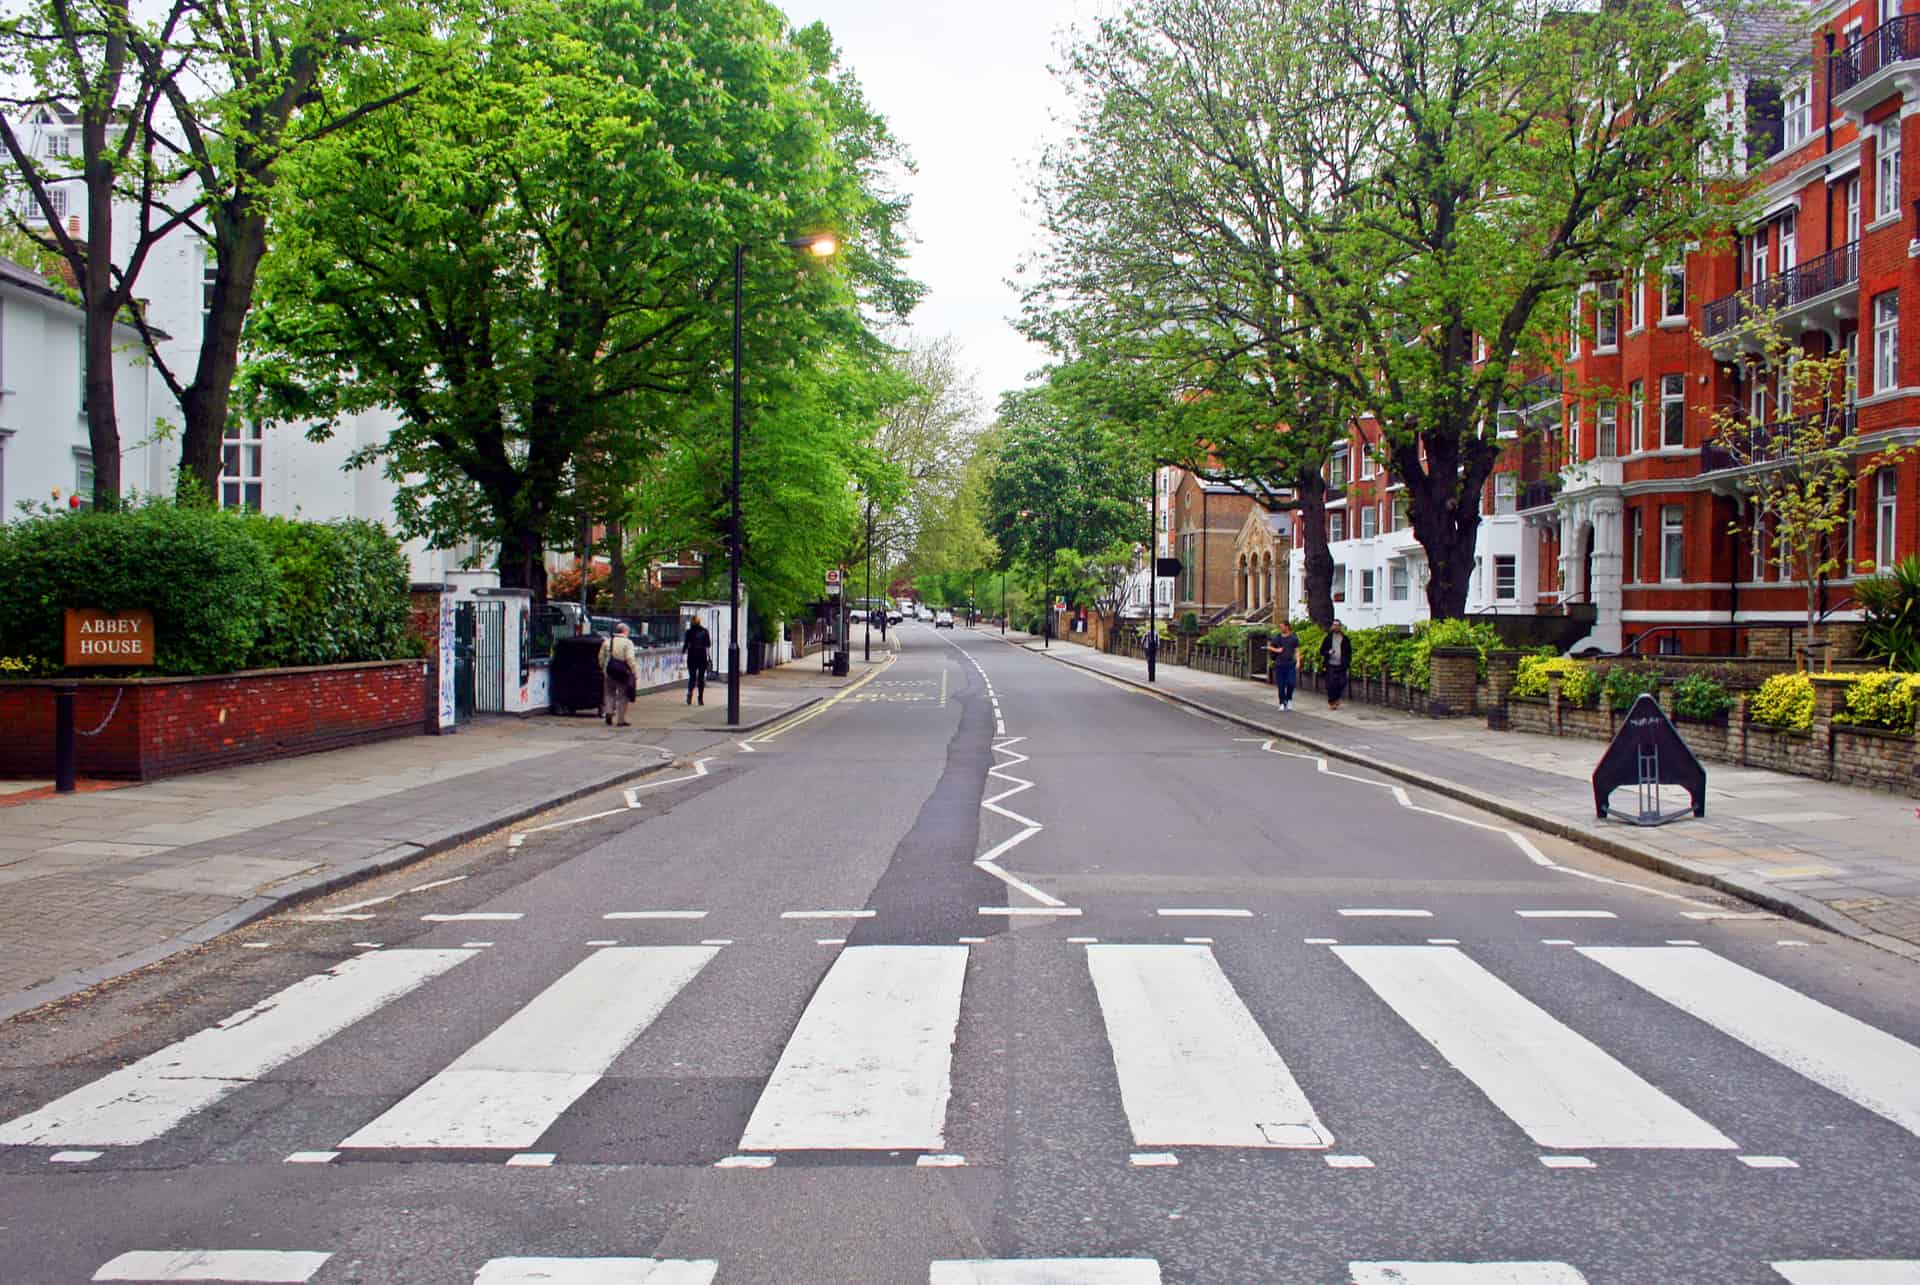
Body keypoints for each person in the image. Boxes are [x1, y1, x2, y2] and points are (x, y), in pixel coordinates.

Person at [598, 623, 637, 727]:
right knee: (623, 696)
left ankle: (609, 712)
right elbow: (630, 658)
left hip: (609, 672)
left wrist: (604, 668)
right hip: (622, 673)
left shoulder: (607, 642)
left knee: (609, 693)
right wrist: (634, 671)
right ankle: (620, 720)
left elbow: (601, 658)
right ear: (625, 632)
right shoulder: (628, 643)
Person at [1266, 620, 1299, 710]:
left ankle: (1289, 699)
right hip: (1279, 664)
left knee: (1291, 683)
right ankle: (1282, 703)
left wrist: (1298, 661)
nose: (1280, 628)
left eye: (1282, 626)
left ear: (1287, 627)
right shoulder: (1277, 637)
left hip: (1290, 664)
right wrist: (1277, 650)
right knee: (1281, 685)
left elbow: (1297, 650)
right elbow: (1269, 647)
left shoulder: (1293, 638)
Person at [1320, 618, 1351, 709]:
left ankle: (1337, 698)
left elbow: (1349, 652)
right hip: (1330, 664)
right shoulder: (1328, 638)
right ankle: (1331, 701)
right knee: (1331, 684)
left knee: (1342, 683)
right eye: (1334, 625)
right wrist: (1328, 652)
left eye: (1337, 625)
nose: (1336, 627)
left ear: (1340, 627)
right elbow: (1321, 651)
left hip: (1341, 665)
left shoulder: (1345, 639)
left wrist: (1347, 663)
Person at [682, 617, 712, 706]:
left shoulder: (689, 632)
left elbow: (686, 644)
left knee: (692, 677)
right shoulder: (705, 631)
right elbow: (708, 644)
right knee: (701, 678)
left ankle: (690, 692)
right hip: (702, 656)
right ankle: (700, 698)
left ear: (693, 622)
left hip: (692, 656)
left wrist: (683, 652)